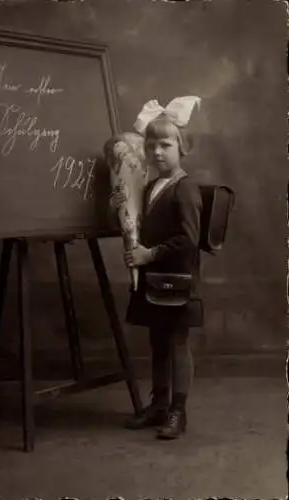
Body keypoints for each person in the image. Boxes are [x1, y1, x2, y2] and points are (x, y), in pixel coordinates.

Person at [111, 96, 203, 440]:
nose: (158, 152)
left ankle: (179, 412)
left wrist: (150, 255)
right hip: (155, 280)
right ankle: (159, 405)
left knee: (177, 343)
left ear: (183, 147)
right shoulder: (150, 187)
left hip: (178, 279)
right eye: (152, 146)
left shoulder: (186, 188)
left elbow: (189, 240)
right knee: (157, 343)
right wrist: (135, 247)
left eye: (166, 144)